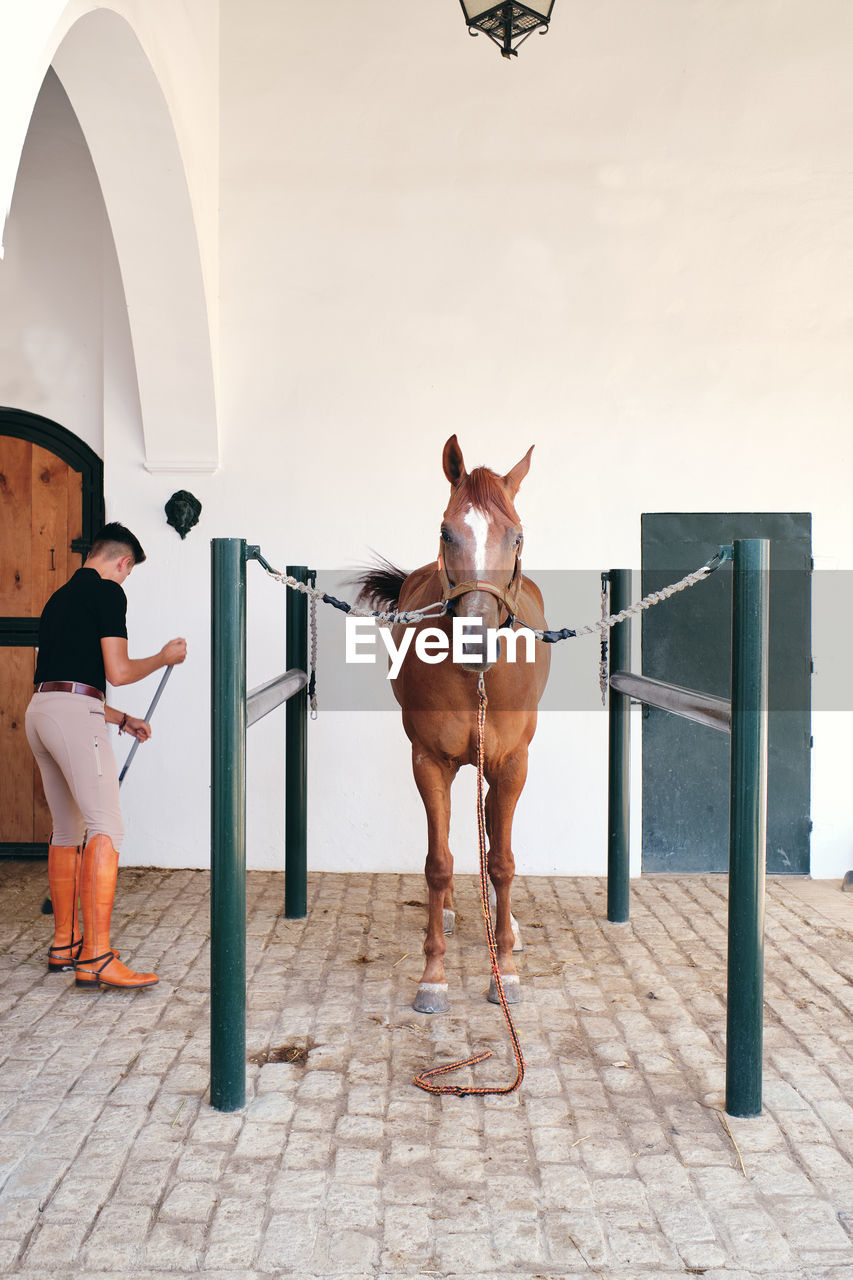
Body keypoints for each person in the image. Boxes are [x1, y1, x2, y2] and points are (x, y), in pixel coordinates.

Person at [25, 522, 187, 990]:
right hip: (74, 717)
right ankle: (96, 957)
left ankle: (64, 942)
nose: (125, 581)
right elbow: (116, 670)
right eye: (128, 573)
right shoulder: (109, 594)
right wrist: (162, 658)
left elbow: (66, 678)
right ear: (124, 562)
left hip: (41, 712)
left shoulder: (58, 598)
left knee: (67, 828)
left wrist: (119, 719)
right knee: (106, 827)